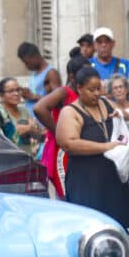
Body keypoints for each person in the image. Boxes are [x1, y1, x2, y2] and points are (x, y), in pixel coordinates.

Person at [56, 66, 129, 228]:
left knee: (119, 224)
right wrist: (105, 147)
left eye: (99, 88)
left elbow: (127, 116)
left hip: (112, 177)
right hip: (86, 179)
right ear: (79, 88)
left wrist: (122, 115)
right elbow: (68, 144)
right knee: (91, 226)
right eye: (92, 90)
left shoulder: (105, 103)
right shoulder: (70, 112)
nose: (97, 93)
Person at [35, 55, 90, 199]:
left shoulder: (85, 94)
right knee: (67, 195)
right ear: (72, 77)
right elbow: (39, 108)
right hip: (63, 152)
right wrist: (59, 132)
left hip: (79, 150)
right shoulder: (64, 92)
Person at [0, 77, 43, 153]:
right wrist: (29, 128)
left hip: (28, 154)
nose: (16, 94)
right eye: (11, 91)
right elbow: (9, 135)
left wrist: (26, 129)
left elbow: (38, 131)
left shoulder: (24, 110)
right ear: (1, 95)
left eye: (18, 90)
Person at [17, 42, 61, 114]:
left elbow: (58, 102)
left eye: (27, 63)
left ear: (35, 56)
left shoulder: (51, 73)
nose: (26, 66)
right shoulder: (34, 74)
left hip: (44, 123)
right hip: (32, 122)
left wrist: (33, 96)